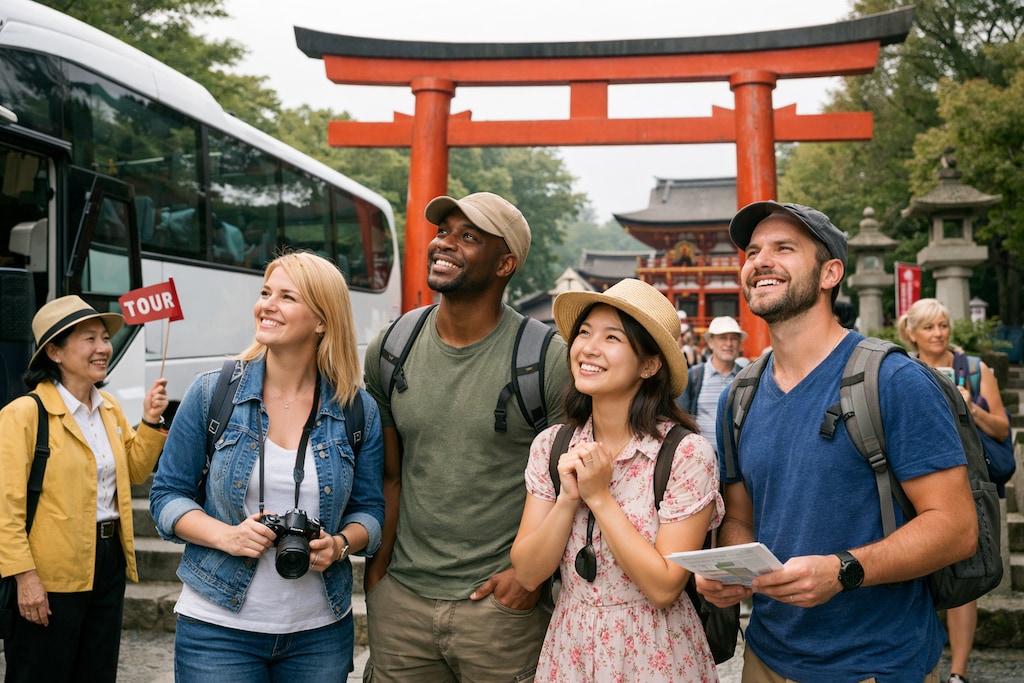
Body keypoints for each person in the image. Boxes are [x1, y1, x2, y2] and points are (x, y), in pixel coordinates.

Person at [698, 201, 978, 682]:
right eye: (752, 251)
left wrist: (843, 570)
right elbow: (740, 516)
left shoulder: (893, 381)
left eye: (784, 248)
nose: (760, 261)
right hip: (766, 657)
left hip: (877, 663)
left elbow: (955, 527)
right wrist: (731, 571)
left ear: (830, 273)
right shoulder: (739, 397)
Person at [361, 192, 571, 682]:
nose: (445, 244)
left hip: (500, 611)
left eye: (468, 237)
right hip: (402, 603)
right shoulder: (392, 349)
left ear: (505, 264)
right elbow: (391, 475)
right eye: (443, 232)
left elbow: (571, 486)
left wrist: (528, 580)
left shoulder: (545, 359)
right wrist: (378, 576)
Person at [149, 251, 384, 681]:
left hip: (320, 633)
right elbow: (165, 497)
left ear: (322, 320)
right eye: (265, 292)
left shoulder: (357, 410)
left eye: (286, 296)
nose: (266, 305)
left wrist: (340, 545)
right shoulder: (211, 393)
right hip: (217, 628)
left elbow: (371, 512)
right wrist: (229, 536)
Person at [510, 278, 724, 682]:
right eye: (584, 333)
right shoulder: (551, 447)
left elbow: (664, 589)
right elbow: (527, 573)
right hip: (570, 646)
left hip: (655, 651)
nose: (588, 348)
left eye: (612, 338)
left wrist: (600, 498)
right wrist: (568, 499)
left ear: (649, 364)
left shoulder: (685, 454)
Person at [0, 295, 169, 682]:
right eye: (89, 338)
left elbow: (136, 471)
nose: (103, 348)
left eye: (104, 339)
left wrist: (149, 419)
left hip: (107, 559)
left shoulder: (108, 407)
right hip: (49, 567)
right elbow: (4, 507)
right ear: (55, 351)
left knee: (96, 670)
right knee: (41, 671)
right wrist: (24, 578)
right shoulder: (24, 414)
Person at [897, 297, 1010, 683]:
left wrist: (970, 408)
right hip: (919, 485)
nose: (938, 333)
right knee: (921, 576)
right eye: (928, 327)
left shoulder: (974, 369)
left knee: (966, 579)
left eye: (943, 325)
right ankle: (929, 663)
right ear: (910, 333)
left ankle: (958, 672)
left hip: (972, 483)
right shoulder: (900, 371)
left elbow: (1001, 429)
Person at [677, 315, 748, 452]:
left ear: (739, 344)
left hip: (737, 457)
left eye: (734, 338)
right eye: (722, 338)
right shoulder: (694, 376)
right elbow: (682, 417)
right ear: (710, 342)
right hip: (701, 457)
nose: (729, 344)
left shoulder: (747, 376)